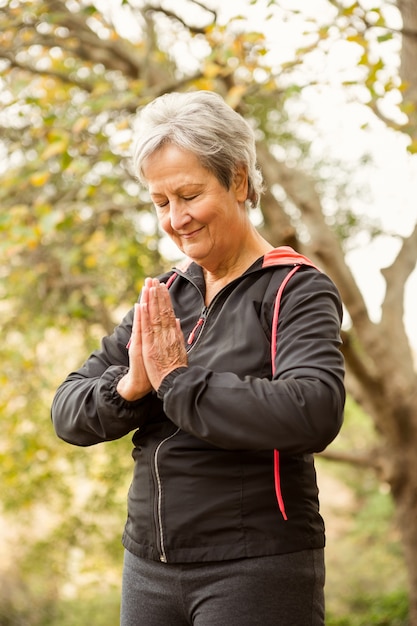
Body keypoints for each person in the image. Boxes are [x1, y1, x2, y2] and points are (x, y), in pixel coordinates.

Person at [51, 90, 345, 625]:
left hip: (257, 567)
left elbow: (314, 409)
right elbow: (68, 412)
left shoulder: (294, 289)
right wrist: (129, 388)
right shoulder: (164, 296)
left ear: (237, 180)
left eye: (188, 195)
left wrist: (178, 383)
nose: (176, 219)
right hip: (147, 567)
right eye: (161, 203)